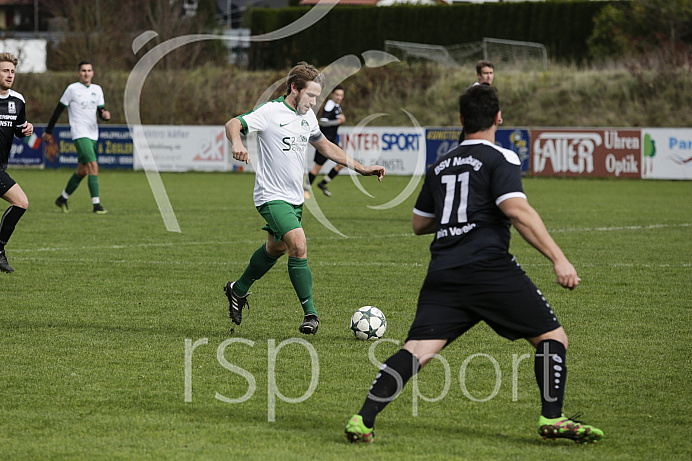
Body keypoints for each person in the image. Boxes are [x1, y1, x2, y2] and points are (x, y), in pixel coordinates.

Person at [345, 84, 603, 444]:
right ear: (499, 118)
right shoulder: (502, 158)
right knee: (551, 337)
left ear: (461, 120)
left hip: (444, 270)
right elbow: (518, 212)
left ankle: (363, 418)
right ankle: (552, 417)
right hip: (489, 268)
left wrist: (457, 215)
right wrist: (559, 259)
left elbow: (420, 224)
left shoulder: (439, 166)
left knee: (417, 351)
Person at [224, 62, 385, 334]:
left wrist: (362, 168)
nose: (314, 102)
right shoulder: (271, 111)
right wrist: (237, 143)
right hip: (270, 196)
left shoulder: (308, 116)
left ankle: (237, 290)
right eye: (310, 95)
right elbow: (233, 124)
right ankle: (311, 314)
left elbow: (325, 146)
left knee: (276, 249)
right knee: (298, 245)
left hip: (294, 198)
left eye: (317, 97)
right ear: (294, 88)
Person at [42, 61, 110, 214]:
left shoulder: (97, 89)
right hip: (79, 133)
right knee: (94, 166)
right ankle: (96, 205)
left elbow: (101, 110)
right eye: (83, 70)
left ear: (93, 73)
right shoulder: (72, 89)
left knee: (83, 170)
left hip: (93, 133)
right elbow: (58, 110)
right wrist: (48, 131)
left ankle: (62, 199)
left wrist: (105, 115)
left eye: (89, 70)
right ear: (79, 73)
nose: (86, 73)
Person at [0, 53, 34, 273]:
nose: (9, 75)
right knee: (21, 202)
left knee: (21, 203)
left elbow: (19, 128)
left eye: (12, 71)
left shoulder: (18, 100)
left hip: (1, 167)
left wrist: (26, 130)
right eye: (5, 70)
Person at [304, 85, 346, 197]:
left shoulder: (337, 106)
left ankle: (323, 183)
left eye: (341, 95)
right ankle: (305, 189)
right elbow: (323, 122)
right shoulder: (329, 105)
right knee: (317, 167)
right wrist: (338, 121)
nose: (339, 97)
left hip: (333, 141)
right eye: (337, 95)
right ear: (332, 94)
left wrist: (339, 120)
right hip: (325, 142)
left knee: (342, 162)